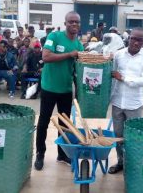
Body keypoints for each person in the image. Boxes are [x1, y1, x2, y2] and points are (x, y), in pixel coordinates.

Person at [34, 11, 84, 171]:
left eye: (77, 22)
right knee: (43, 122)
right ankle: (40, 153)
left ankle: (62, 154)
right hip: (49, 87)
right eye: (71, 22)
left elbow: (79, 70)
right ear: (65, 23)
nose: (74, 24)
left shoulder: (79, 45)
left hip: (66, 89)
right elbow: (46, 57)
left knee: (64, 125)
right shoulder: (54, 37)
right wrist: (69, 54)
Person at [108, 27, 143, 174]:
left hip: (133, 104)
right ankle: (121, 162)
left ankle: (133, 166)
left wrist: (123, 78)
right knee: (118, 136)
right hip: (117, 102)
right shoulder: (118, 55)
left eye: (140, 40)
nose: (136, 42)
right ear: (129, 38)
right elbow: (111, 74)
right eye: (133, 38)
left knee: (134, 137)